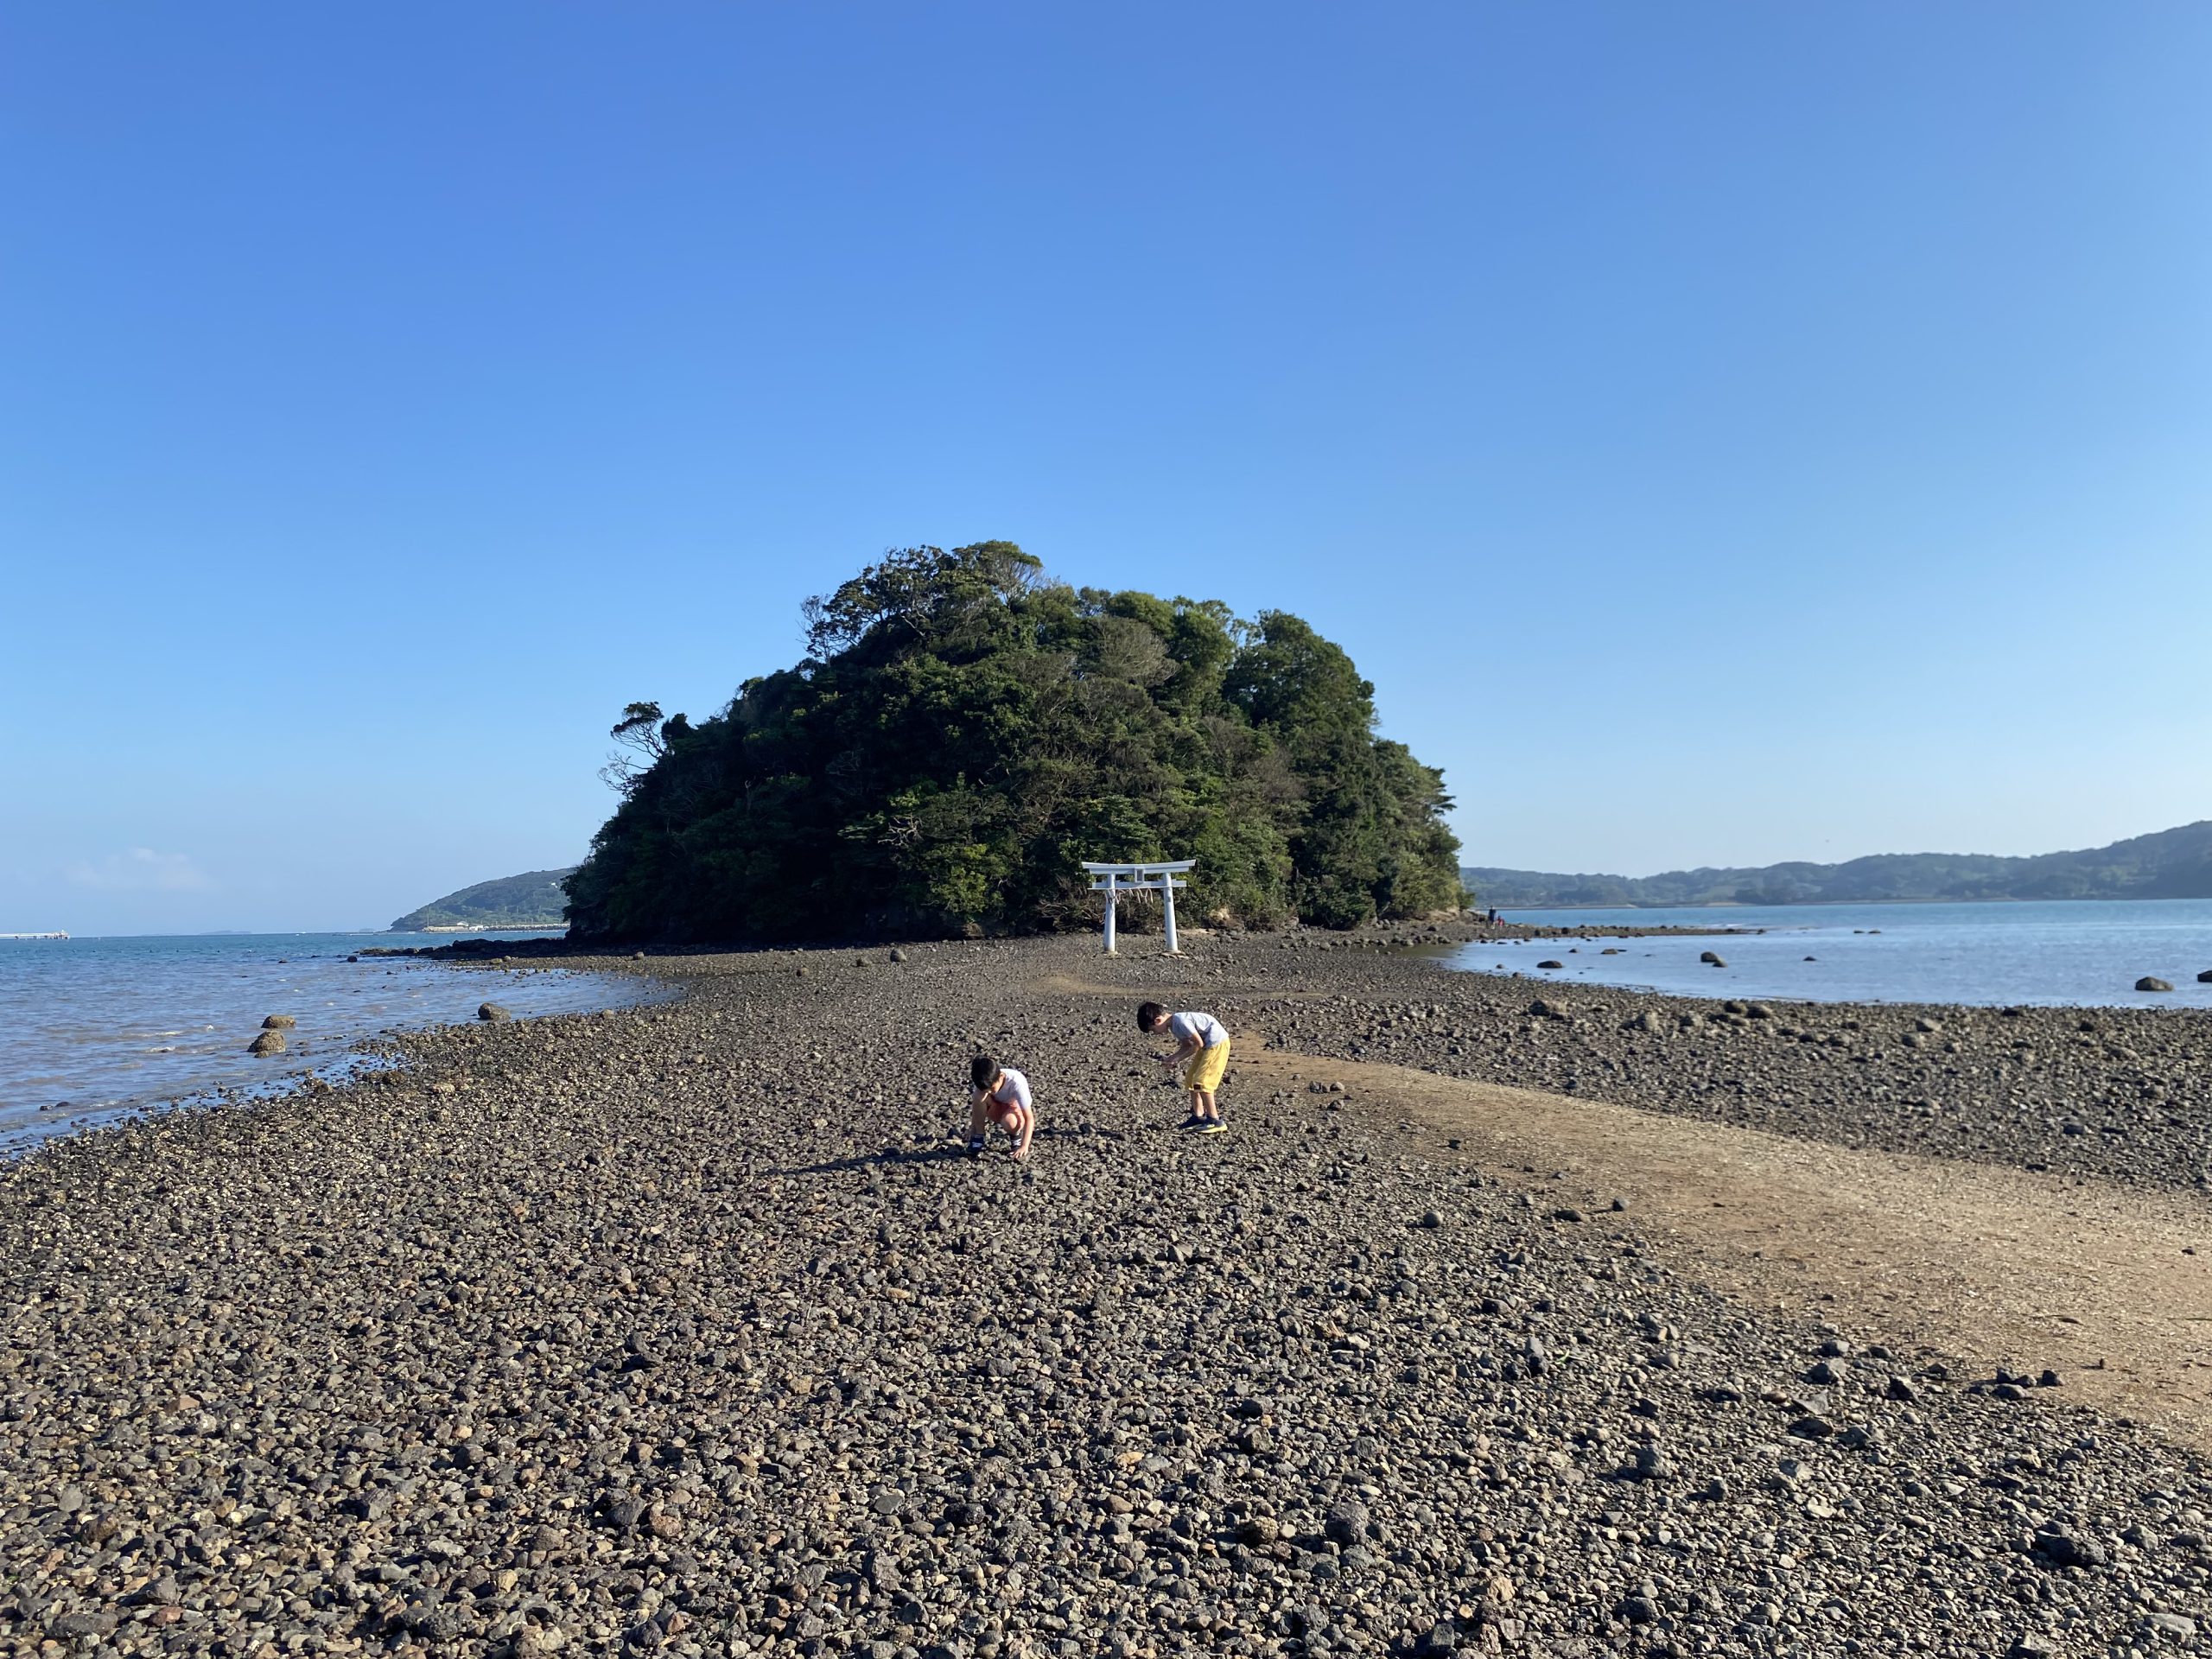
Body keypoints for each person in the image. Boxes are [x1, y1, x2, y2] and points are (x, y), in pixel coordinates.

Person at [1137, 1001, 1230, 1133]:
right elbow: (1187, 1046)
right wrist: (1172, 1058)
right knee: (1191, 1079)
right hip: (1207, 1047)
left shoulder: (1180, 1021)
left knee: (1202, 1082)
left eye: (1153, 1030)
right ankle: (1198, 1117)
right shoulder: (1174, 1025)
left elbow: (1198, 1044)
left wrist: (1178, 1059)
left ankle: (1215, 1120)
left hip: (1216, 1045)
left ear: (1158, 1020)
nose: (1156, 1034)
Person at [968, 1054, 1034, 1160]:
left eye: (991, 1088)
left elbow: (1029, 1117)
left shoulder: (1016, 1082)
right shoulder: (982, 1080)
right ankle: (979, 1135)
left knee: (1010, 1122)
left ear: (1001, 1077)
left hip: (1012, 1108)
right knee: (978, 1095)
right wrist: (973, 1131)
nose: (989, 1092)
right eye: (986, 1089)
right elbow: (976, 1110)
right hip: (994, 1107)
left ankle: (1015, 1136)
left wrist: (1024, 1146)